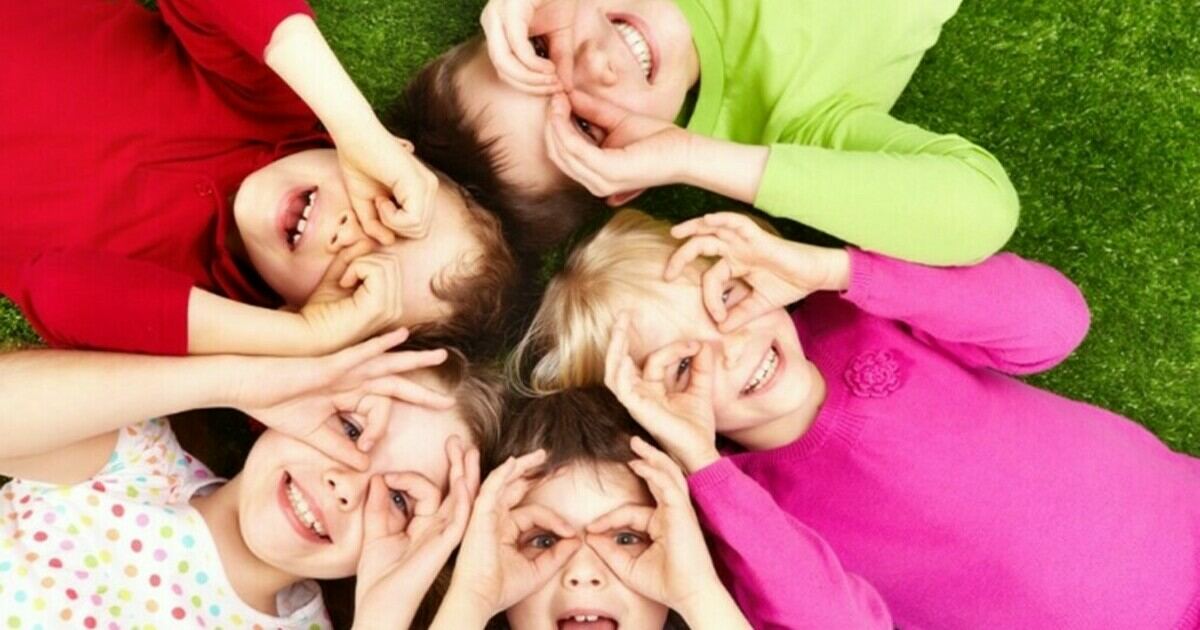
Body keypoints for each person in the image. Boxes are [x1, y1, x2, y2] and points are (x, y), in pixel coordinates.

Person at [511, 209, 1200, 628]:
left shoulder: (859, 310)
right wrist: (700, 463)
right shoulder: (746, 515)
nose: (732, 347)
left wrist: (836, 270)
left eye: (726, 298)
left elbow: (1054, 324)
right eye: (684, 367)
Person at [0, 0, 518, 358]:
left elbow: (53, 290)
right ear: (398, 157)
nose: (349, 235)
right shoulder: (273, 105)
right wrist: (355, 126)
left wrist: (300, 336)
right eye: (390, 208)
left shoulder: (198, 317)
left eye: (359, 280)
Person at [401, 0, 1017, 260]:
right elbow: (981, 211)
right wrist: (695, 159)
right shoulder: (795, 126)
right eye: (587, 126)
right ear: (629, 176)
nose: (593, 64)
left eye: (539, 51)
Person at [0, 330, 504, 628]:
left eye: (398, 499)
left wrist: (381, 619)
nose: (347, 485)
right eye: (350, 428)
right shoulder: (139, 462)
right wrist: (236, 382)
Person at [354, 387, 750, 629]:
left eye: (627, 539)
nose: (582, 575)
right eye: (543, 541)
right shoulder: (469, 605)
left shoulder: (701, 598)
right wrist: (472, 597)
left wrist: (697, 592)